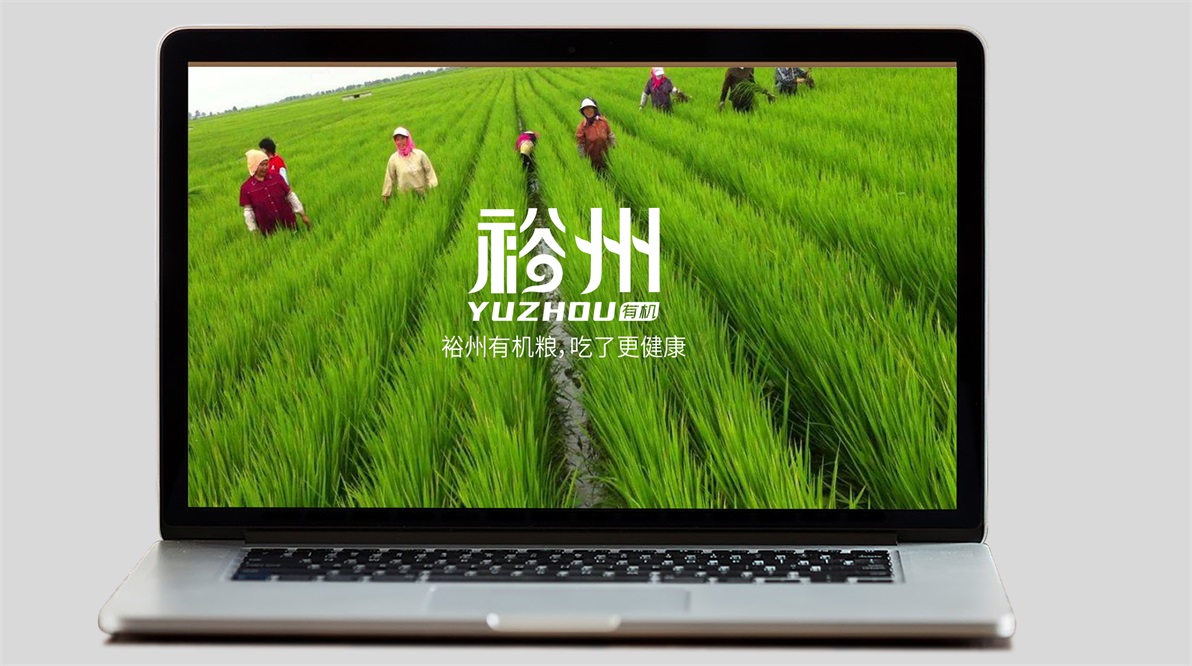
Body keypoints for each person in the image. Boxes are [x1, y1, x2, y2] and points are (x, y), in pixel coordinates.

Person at [239, 149, 311, 235]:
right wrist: (254, 230)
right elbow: (249, 212)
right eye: (261, 165)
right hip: (268, 230)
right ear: (253, 166)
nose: (265, 167)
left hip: (289, 222)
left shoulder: (277, 178)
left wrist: (302, 214)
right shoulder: (246, 188)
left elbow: (290, 196)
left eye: (266, 164)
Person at [382, 126, 438, 202]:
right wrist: (385, 195)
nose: (400, 142)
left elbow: (429, 171)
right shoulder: (393, 159)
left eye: (403, 138)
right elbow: (389, 177)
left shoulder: (419, 154)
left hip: (422, 194)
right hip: (405, 197)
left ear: (408, 139)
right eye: (397, 139)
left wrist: (433, 188)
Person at [575, 98, 617, 173]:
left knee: (608, 174)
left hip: (606, 157)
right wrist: (583, 160)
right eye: (585, 110)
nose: (588, 111)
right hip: (592, 160)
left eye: (590, 108)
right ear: (583, 112)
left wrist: (614, 147)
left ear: (594, 109)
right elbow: (580, 145)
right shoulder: (581, 127)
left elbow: (610, 135)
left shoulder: (603, 121)